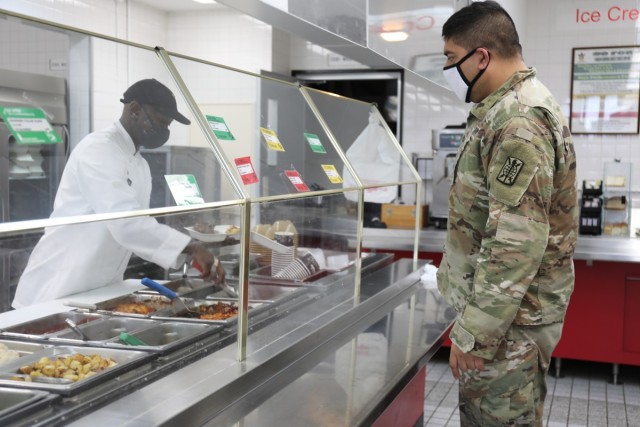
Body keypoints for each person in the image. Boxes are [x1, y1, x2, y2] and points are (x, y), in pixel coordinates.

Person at [436, 2, 578, 426]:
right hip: (506, 320)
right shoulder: (504, 109)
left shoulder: (518, 118)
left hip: (508, 328)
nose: (449, 69)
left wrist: (475, 333)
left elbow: (515, 243)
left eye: (450, 58)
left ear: (481, 56)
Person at [13, 79, 224, 308]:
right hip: (56, 288)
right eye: (160, 122)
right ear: (134, 109)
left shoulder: (140, 165)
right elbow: (126, 223)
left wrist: (188, 252)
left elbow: (136, 229)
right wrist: (191, 248)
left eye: (168, 125)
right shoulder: (98, 149)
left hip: (98, 289)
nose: (164, 130)